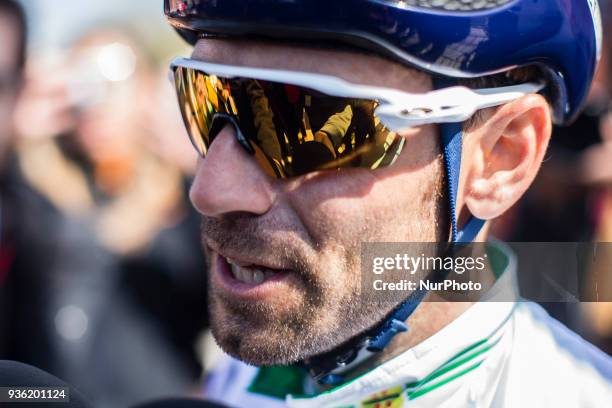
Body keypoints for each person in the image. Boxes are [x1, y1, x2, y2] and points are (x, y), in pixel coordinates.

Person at [164, 0, 611, 407]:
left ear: (499, 158)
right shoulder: (244, 377)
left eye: (310, 125)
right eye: (202, 104)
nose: (209, 191)